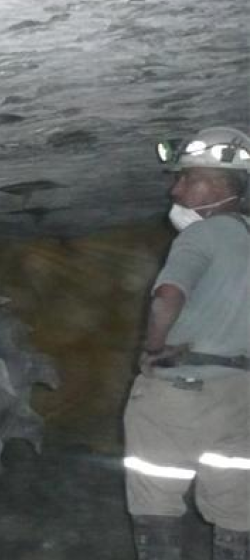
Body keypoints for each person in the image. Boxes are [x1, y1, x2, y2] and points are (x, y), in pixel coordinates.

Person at [125, 126, 250, 560]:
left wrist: (153, 350)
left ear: (218, 185)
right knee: (237, 507)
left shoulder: (200, 235)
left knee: (156, 497)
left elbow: (167, 297)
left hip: (181, 391)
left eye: (187, 179)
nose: (175, 190)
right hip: (240, 397)